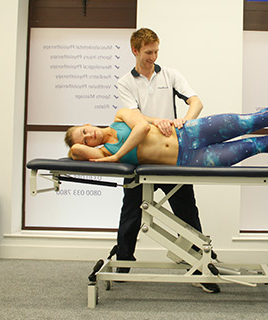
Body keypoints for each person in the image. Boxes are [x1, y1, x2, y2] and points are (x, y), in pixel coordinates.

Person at [113, 28, 217, 293]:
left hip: (171, 157)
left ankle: (202, 265)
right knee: (131, 214)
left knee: (187, 212)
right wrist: (156, 121)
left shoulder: (170, 75)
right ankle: (123, 263)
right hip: (140, 157)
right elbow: (132, 116)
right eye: (148, 52)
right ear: (135, 51)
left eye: (156, 51)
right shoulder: (125, 82)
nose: (153, 57)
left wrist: (186, 122)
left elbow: (196, 102)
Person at [65, 103, 268, 166]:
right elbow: (77, 153)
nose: (88, 136)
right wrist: (73, 148)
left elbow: (140, 128)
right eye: (84, 139)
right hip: (191, 158)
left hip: (191, 132)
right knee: (256, 145)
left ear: (87, 122)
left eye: (84, 130)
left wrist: (119, 156)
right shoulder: (102, 153)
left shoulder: (121, 115)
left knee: (252, 120)